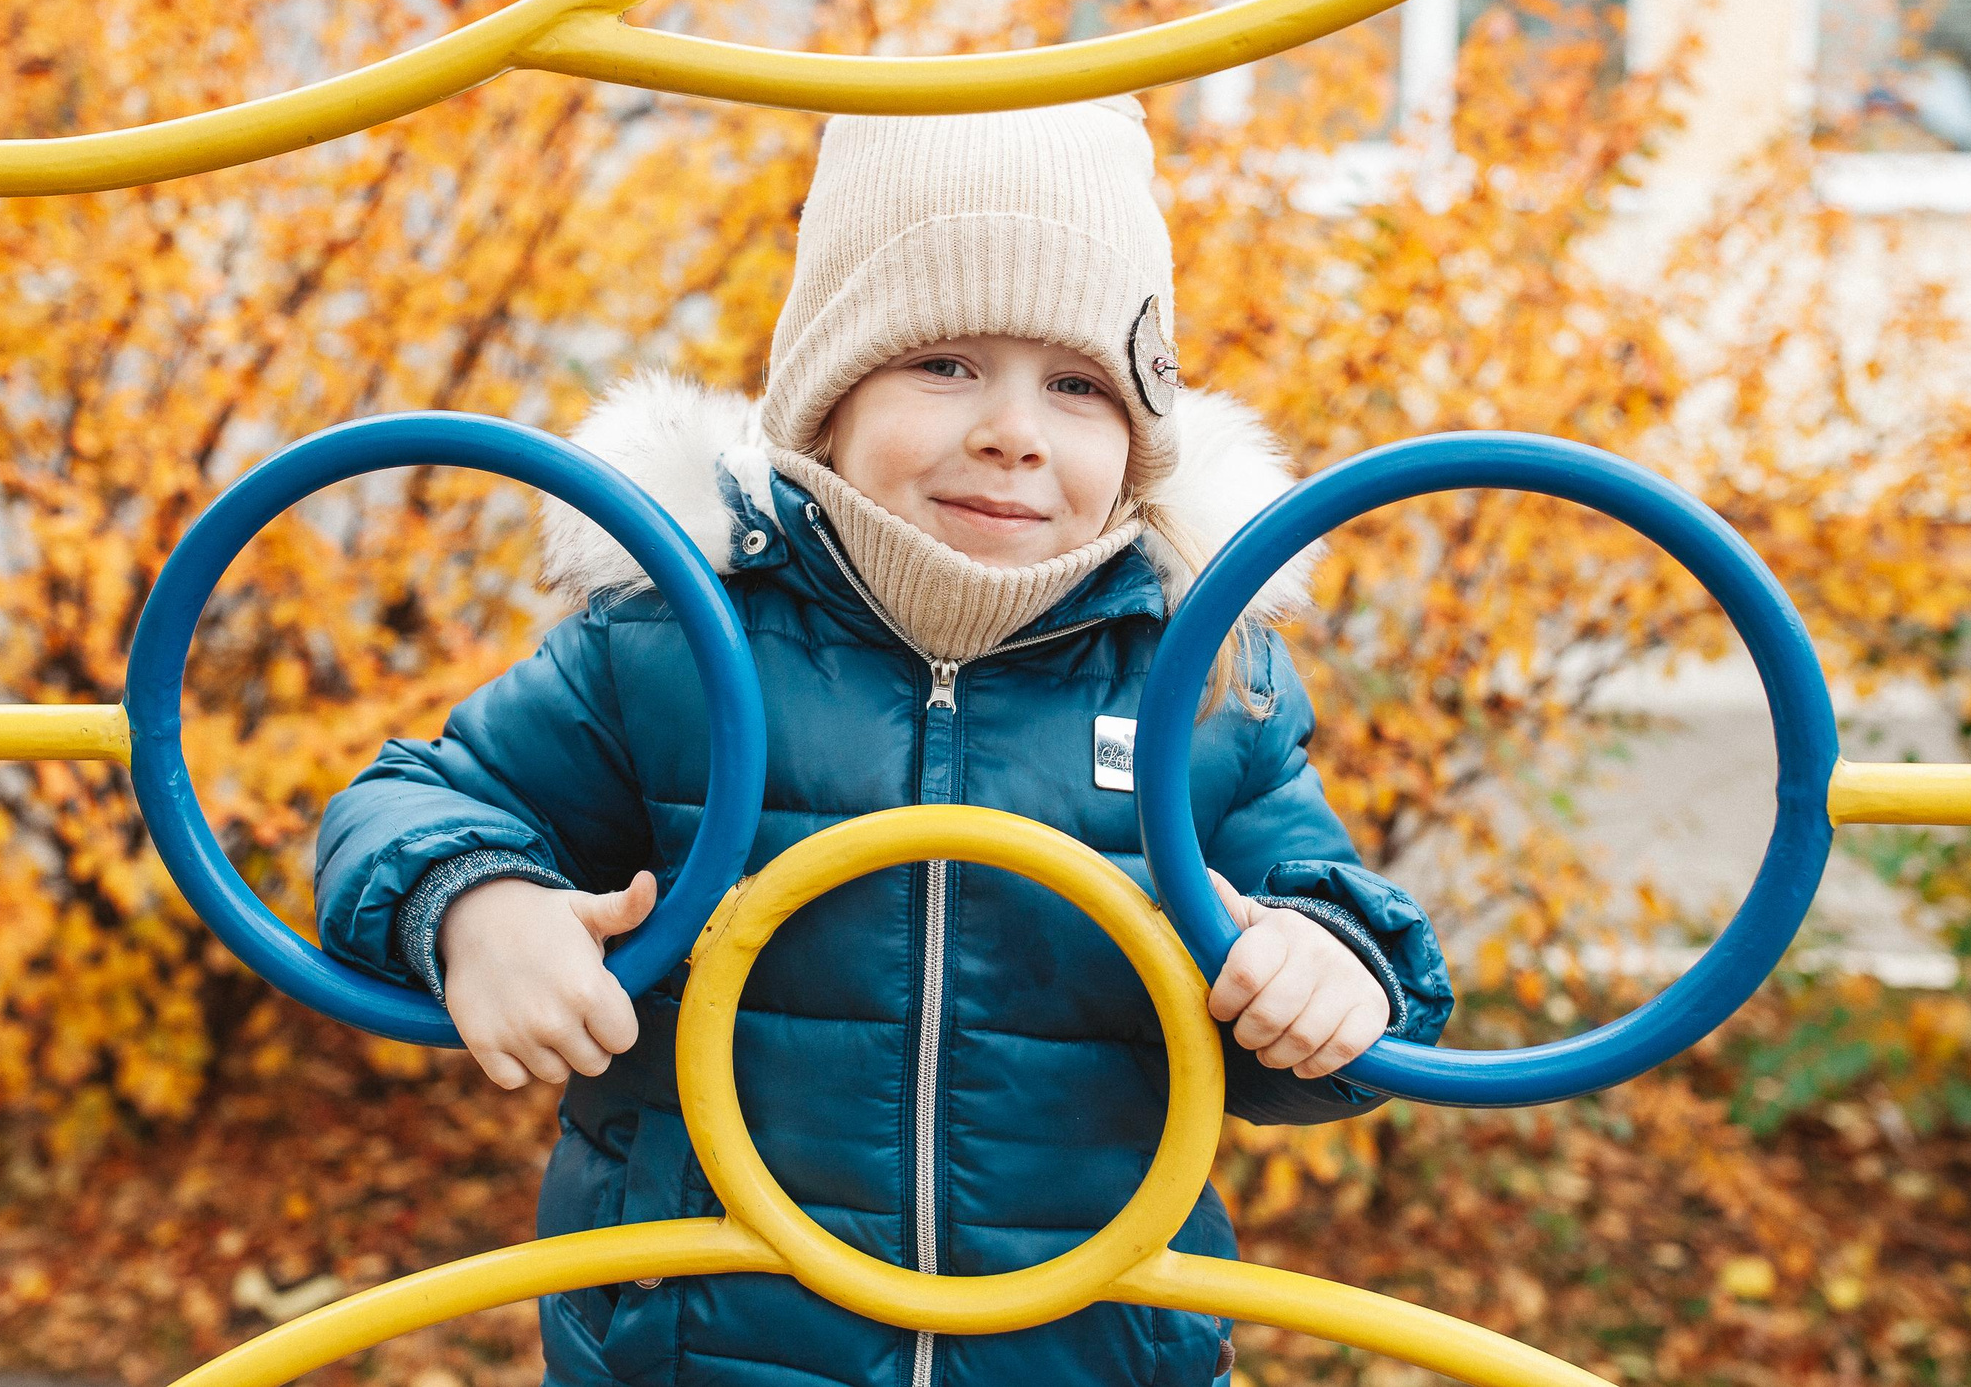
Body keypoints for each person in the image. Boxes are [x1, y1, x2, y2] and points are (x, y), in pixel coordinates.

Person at [314, 97, 1452, 1387]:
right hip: (707, 1343)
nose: (1014, 428)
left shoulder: (1201, 679)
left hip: (1080, 1347)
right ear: (828, 394)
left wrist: (1325, 970)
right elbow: (411, 803)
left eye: (1077, 385)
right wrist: (477, 907)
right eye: (946, 364)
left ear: (1140, 436)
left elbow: (1331, 938)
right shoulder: (679, 639)